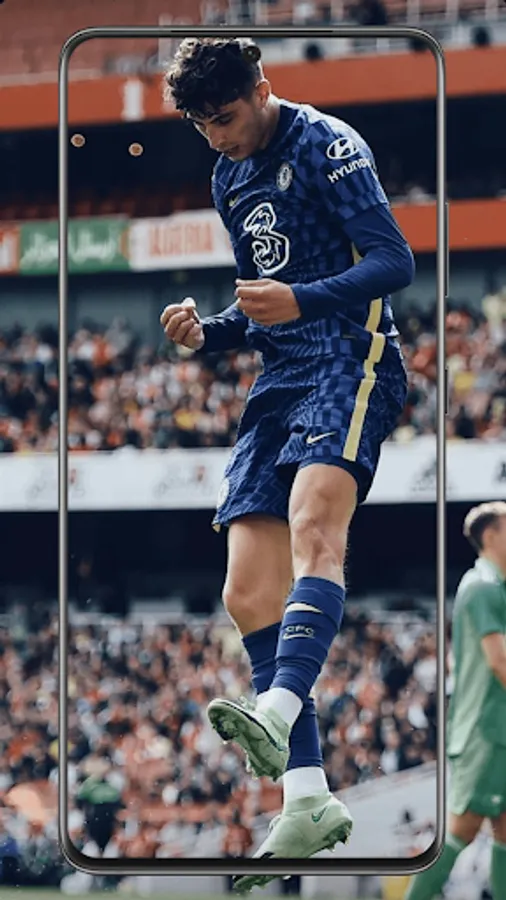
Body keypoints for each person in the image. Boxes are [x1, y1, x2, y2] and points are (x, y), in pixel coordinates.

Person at [161, 36, 414, 890]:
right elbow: (260, 302)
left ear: (262, 89)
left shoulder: (328, 146)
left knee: (313, 527)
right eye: (201, 125)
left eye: (225, 117)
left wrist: (301, 299)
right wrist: (209, 332)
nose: (217, 136)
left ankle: (273, 709)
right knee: (246, 591)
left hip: (351, 357)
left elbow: (395, 262)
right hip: (281, 376)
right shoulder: (227, 177)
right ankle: (306, 796)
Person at [404, 501, 506, 900]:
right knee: (462, 830)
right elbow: (499, 661)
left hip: (496, 726)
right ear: (491, 535)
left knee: (505, 830)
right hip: (486, 731)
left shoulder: (492, 587)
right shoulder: (482, 586)